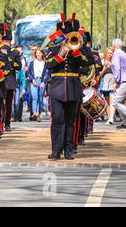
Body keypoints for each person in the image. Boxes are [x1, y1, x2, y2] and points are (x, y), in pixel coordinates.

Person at [45, 14, 88, 160]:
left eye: (67, 35)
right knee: (57, 120)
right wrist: (61, 53)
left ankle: (68, 149)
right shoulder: (54, 48)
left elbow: (84, 64)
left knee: (70, 121)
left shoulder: (78, 48)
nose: (65, 37)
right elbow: (49, 65)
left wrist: (74, 51)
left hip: (72, 88)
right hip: (57, 89)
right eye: (63, 35)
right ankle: (56, 150)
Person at [27, 49, 49, 122]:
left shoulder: (45, 63)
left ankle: (39, 114)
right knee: (34, 97)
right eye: (37, 53)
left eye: (39, 53)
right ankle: (34, 113)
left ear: (42, 54)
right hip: (34, 81)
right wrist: (32, 79)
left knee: (40, 99)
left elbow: (47, 73)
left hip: (42, 81)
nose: (38, 55)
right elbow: (29, 73)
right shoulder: (32, 63)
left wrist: (44, 82)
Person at [111, 38, 126, 129]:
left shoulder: (116, 55)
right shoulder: (123, 54)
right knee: (120, 102)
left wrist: (115, 82)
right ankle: (125, 122)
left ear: (114, 46)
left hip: (123, 81)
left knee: (115, 102)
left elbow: (117, 69)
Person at [100, 47, 116, 124]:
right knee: (107, 101)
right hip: (105, 83)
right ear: (106, 54)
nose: (110, 55)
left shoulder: (115, 62)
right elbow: (100, 74)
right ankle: (109, 118)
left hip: (113, 82)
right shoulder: (103, 61)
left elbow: (117, 72)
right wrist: (105, 66)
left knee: (112, 100)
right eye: (108, 53)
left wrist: (111, 65)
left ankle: (112, 118)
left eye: (111, 53)